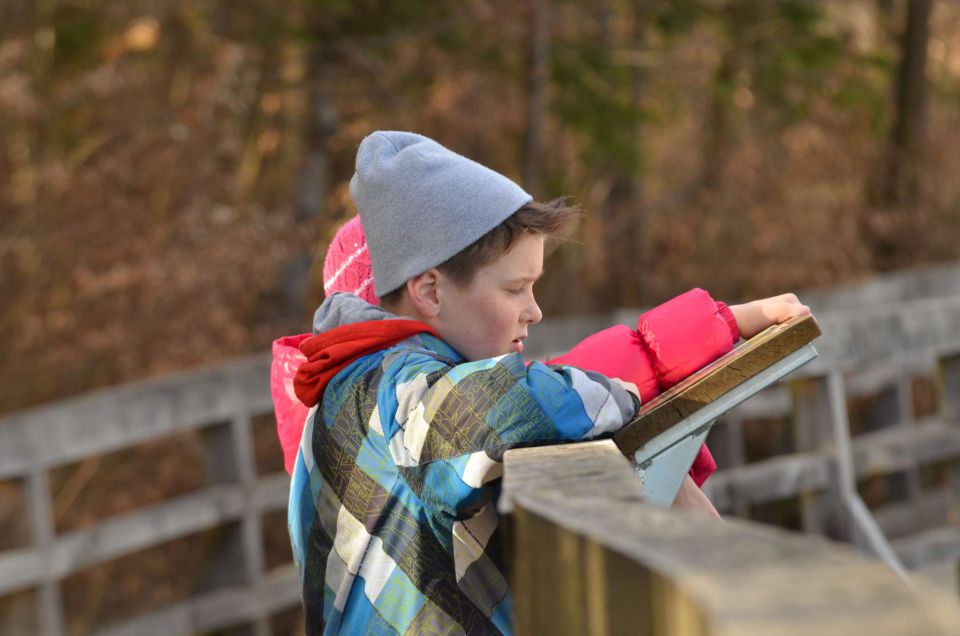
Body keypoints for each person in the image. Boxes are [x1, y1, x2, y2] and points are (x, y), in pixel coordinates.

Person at [286, 131, 809, 634]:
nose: (533, 311)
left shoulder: (372, 380)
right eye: (516, 289)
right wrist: (621, 399)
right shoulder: (383, 385)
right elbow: (508, 407)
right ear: (430, 291)